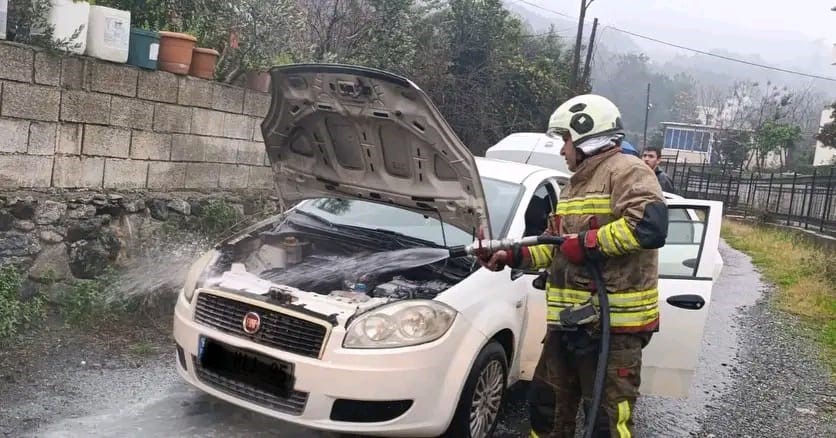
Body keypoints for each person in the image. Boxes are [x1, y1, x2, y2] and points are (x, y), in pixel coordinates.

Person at [477, 95, 668, 438]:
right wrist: (512, 257)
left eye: (565, 140)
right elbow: (554, 247)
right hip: (567, 326)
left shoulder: (629, 171)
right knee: (545, 409)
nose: (563, 150)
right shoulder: (573, 187)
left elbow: (648, 227)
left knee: (606, 422)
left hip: (612, 330)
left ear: (586, 136)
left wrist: (588, 244)